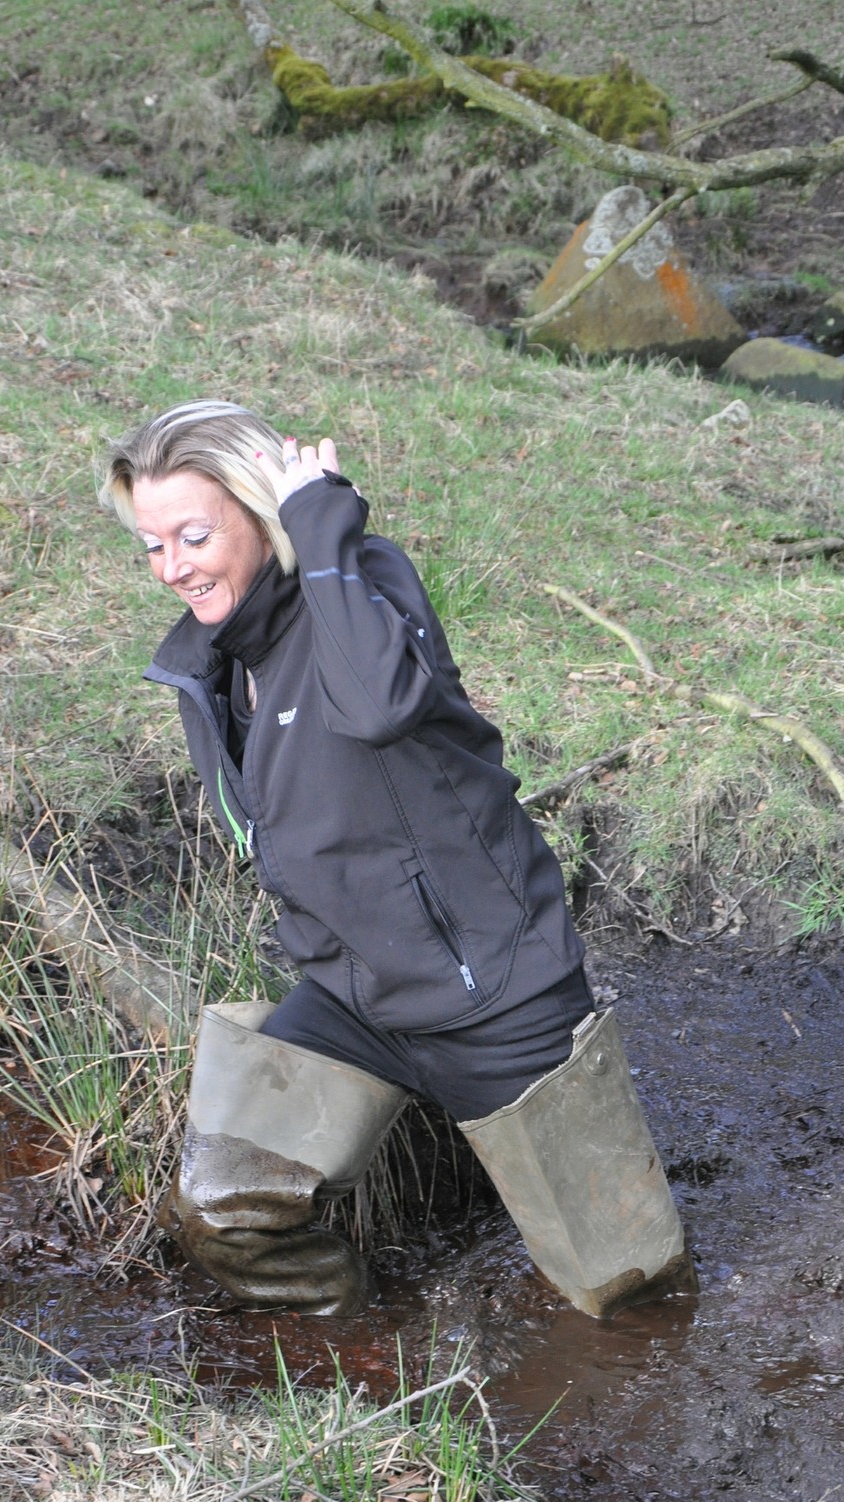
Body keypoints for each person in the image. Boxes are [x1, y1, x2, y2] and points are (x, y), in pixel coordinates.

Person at [100, 400, 684, 1318]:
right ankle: (362, 1374)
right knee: (223, 1208)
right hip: (353, 1002)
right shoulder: (214, 662)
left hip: (498, 1000)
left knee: (624, 1295)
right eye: (152, 545)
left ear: (264, 512)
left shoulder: (362, 583)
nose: (174, 567)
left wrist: (323, 522)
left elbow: (377, 705)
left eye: (196, 535)